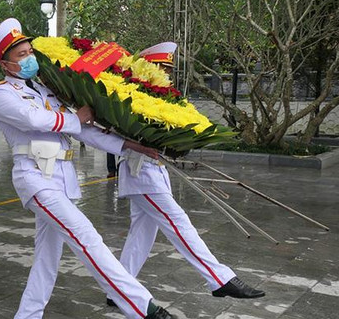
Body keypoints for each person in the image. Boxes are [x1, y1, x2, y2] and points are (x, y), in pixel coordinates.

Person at [0, 18, 197, 319]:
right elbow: (34, 121)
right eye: (22, 54)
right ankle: (144, 310)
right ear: (5, 62)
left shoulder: (45, 91)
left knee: (47, 257)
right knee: (86, 237)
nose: (29, 58)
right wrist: (76, 118)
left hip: (60, 179)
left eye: (30, 51)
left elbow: (84, 130)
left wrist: (131, 146)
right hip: (35, 179)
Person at [110, 42, 265, 304]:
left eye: (167, 69)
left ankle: (118, 291)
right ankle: (219, 279)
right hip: (141, 174)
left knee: (143, 233)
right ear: (146, 67)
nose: (165, 74)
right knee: (178, 222)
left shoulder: (162, 97)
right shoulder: (131, 95)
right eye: (160, 67)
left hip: (155, 171)